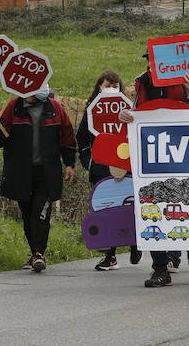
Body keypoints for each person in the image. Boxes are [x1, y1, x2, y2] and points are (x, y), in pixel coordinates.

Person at [122, 67, 189, 288]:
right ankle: (160, 269)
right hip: (152, 156)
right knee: (152, 211)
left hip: (185, 154)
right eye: (150, 59)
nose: (153, 64)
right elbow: (134, 114)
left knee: (184, 208)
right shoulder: (142, 83)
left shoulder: (185, 80)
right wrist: (124, 116)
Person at [0, 84, 77, 273]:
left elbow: (67, 137)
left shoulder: (55, 108)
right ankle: (34, 252)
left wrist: (69, 164)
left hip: (47, 172)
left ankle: (39, 253)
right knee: (27, 213)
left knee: (41, 212)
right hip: (21, 173)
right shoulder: (12, 108)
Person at [75, 70, 140, 271]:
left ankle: (135, 244)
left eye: (115, 85)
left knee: (130, 207)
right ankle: (110, 256)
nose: (110, 89)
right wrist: (89, 163)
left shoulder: (130, 111)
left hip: (126, 170)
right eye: (106, 85)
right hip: (101, 172)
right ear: (99, 87)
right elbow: (82, 140)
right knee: (106, 210)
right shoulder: (91, 112)